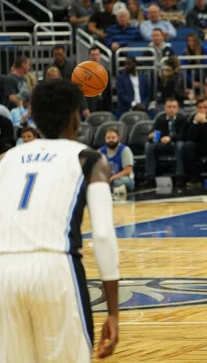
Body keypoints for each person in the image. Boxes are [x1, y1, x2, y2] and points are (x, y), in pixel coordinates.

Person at [0, 80, 119, 361]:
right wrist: (113, 312)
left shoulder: (6, 159)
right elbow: (102, 235)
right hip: (55, 267)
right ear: (74, 118)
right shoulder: (89, 160)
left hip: (3, 271)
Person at [144, 97, 187, 186]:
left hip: (176, 143)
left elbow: (184, 135)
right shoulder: (160, 119)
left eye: (174, 107)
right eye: (169, 107)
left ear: (178, 108)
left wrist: (171, 138)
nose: (171, 109)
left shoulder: (182, 119)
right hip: (163, 144)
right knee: (150, 146)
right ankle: (150, 176)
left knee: (180, 145)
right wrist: (152, 137)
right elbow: (155, 134)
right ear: (165, 108)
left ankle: (180, 176)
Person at [98, 127, 135, 194]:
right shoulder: (100, 151)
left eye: (113, 138)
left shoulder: (125, 150)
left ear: (118, 138)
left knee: (117, 183)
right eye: (108, 138)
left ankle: (105, 189)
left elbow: (127, 171)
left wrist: (113, 177)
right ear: (105, 139)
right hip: (107, 179)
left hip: (123, 178)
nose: (111, 140)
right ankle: (113, 190)